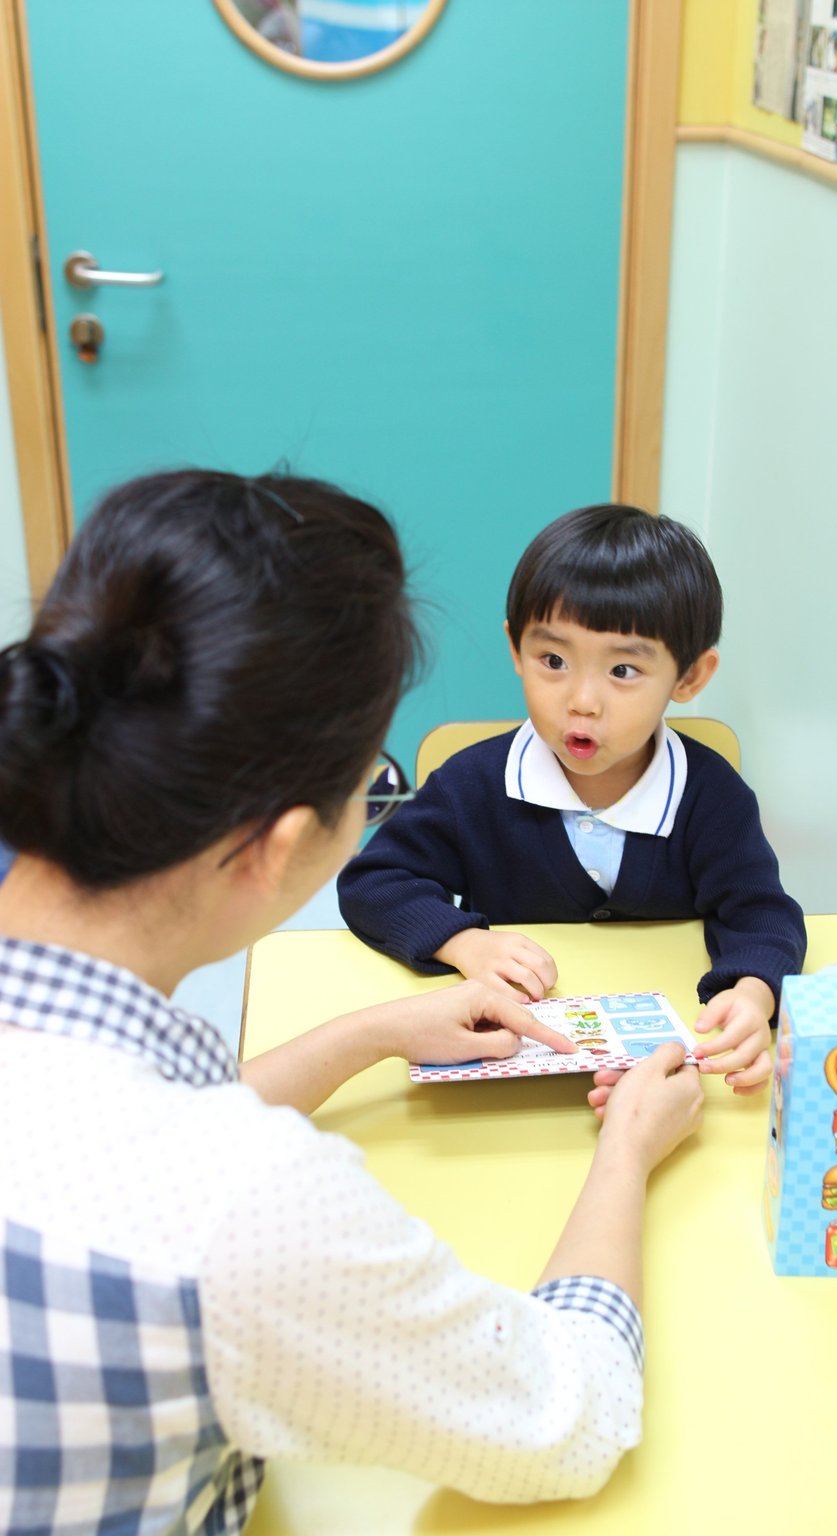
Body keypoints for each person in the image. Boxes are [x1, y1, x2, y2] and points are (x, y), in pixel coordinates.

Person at [0, 470, 704, 1531]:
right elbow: (566, 1417)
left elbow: (111, 1132)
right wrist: (627, 1151)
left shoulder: (102, 1103)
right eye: (370, 780)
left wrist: (372, 1032)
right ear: (283, 843)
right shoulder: (247, 1210)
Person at [338, 503, 806, 1095]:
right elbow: (374, 881)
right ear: (516, 649)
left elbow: (763, 912)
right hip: (506, 1069)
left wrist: (754, 991)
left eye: (624, 671)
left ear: (689, 677)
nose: (582, 700)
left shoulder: (711, 796)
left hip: (659, 1076)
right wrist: (466, 943)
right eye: (553, 660)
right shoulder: (472, 786)